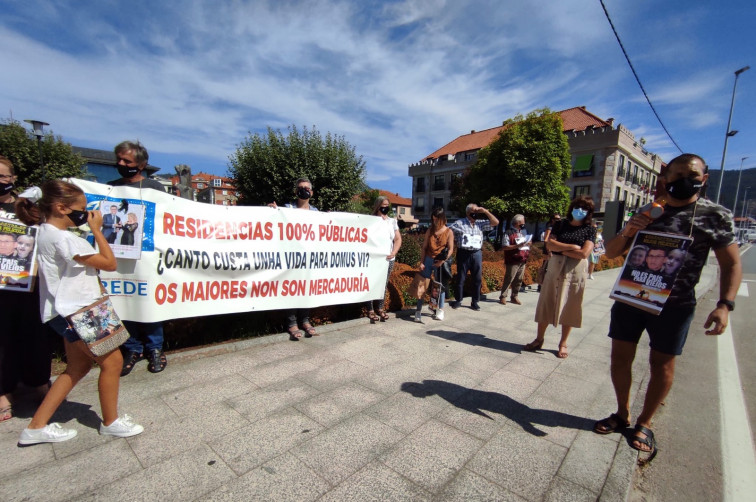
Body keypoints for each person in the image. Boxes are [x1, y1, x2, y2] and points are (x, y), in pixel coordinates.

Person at [593, 153, 741, 462]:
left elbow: (731, 264)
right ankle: (622, 414)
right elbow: (611, 254)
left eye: (691, 175)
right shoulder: (649, 211)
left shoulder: (715, 216)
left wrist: (724, 304)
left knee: (662, 365)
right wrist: (630, 229)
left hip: (674, 305)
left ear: (704, 179)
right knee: (621, 358)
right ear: (665, 179)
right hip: (632, 297)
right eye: (676, 176)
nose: (682, 182)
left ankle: (645, 424)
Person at [15, 180, 144, 444]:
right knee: (113, 362)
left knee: (77, 367)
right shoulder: (65, 238)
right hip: (81, 311)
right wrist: (97, 231)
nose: (84, 215)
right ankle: (111, 422)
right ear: (61, 208)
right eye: (81, 210)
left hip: (66, 311)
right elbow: (109, 263)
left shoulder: (44, 232)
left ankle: (36, 427)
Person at [108, 141, 168, 376]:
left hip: (147, 254)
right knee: (124, 299)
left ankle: (155, 348)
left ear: (141, 164)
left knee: (148, 300)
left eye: (128, 161)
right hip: (118, 254)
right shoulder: (110, 187)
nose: (121, 164)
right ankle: (132, 349)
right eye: (119, 160)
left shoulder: (153, 187)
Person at [0, 155, 52, 424]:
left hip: (28, 285)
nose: (1, 181)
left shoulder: (26, 206)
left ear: (13, 178)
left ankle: (40, 383)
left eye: (4, 176)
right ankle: (4, 393)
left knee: (34, 335)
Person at [526, 196, 596, 358]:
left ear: (589, 212)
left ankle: (563, 343)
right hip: (555, 266)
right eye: (577, 207)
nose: (580, 211)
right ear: (571, 208)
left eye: (584, 209)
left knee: (570, 303)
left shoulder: (590, 229)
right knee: (546, 301)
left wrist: (560, 249)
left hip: (575, 269)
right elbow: (549, 244)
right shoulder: (560, 224)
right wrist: (572, 247)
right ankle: (539, 338)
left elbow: (584, 253)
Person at [269, 178, 320, 340]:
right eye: (300, 188)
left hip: (309, 260)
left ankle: (305, 320)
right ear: (295, 191)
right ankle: (292, 323)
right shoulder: (287, 209)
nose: (303, 190)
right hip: (290, 259)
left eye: (307, 188)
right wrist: (272, 212)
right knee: (292, 290)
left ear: (311, 192)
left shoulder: (316, 213)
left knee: (306, 289)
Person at [448, 203, 499, 310]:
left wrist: (485, 211)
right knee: (461, 278)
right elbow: (449, 231)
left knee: (477, 278)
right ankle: (458, 300)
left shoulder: (480, 224)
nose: (475, 214)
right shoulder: (460, 223)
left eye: (476, 212)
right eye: (473, 212)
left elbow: (495, 222)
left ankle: (475, 301)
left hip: (476, 253)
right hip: (463, 253)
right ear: (468, 213)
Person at [365, 196, 402, 323]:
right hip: (373, 259)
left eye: (387, 205)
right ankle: (370, 309)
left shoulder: (392, 222)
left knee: (383, 284)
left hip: (388, 259)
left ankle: (380, 308)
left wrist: (394, 252)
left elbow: (397, 239)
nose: (385, 207)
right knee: (371, 282)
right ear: (377, 206)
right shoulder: (370, 220)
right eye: (383, 205)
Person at [414, 207, 454, 322]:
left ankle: (440, 310)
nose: (435, 222)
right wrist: (422, 262)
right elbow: (424, 247)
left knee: (439, 286)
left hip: (440, 260)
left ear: (442, 219)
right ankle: (418, 310)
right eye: (433, 219)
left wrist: (443, 260)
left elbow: (451, 249)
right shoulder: (430, 230)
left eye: (437, 219)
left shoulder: (448, 232)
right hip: (428, 259)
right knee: (422, 284)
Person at [499, 214, 529, 305]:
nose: (524, 223)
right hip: (512, 260)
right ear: (518, 223)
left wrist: (528, 243)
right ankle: (503, 296)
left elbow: (525, 243)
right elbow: (504, 246)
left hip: (523, 259)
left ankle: (514, 296)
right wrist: (517, 246)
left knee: (519, 280)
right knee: (509, 279)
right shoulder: (508, 232)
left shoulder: (523, 232)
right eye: (523, 221)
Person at [538, 213, 561, 292]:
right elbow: (546, 239)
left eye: (559, 219)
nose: (558, 220)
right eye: (556, 219)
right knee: (545, 266)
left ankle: (545, 284)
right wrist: (549, 250)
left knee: (551, 267)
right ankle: (540, 285)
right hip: (549, 249)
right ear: (552, 219)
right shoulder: (550, 227)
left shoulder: (557, 227)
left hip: (554, 249)